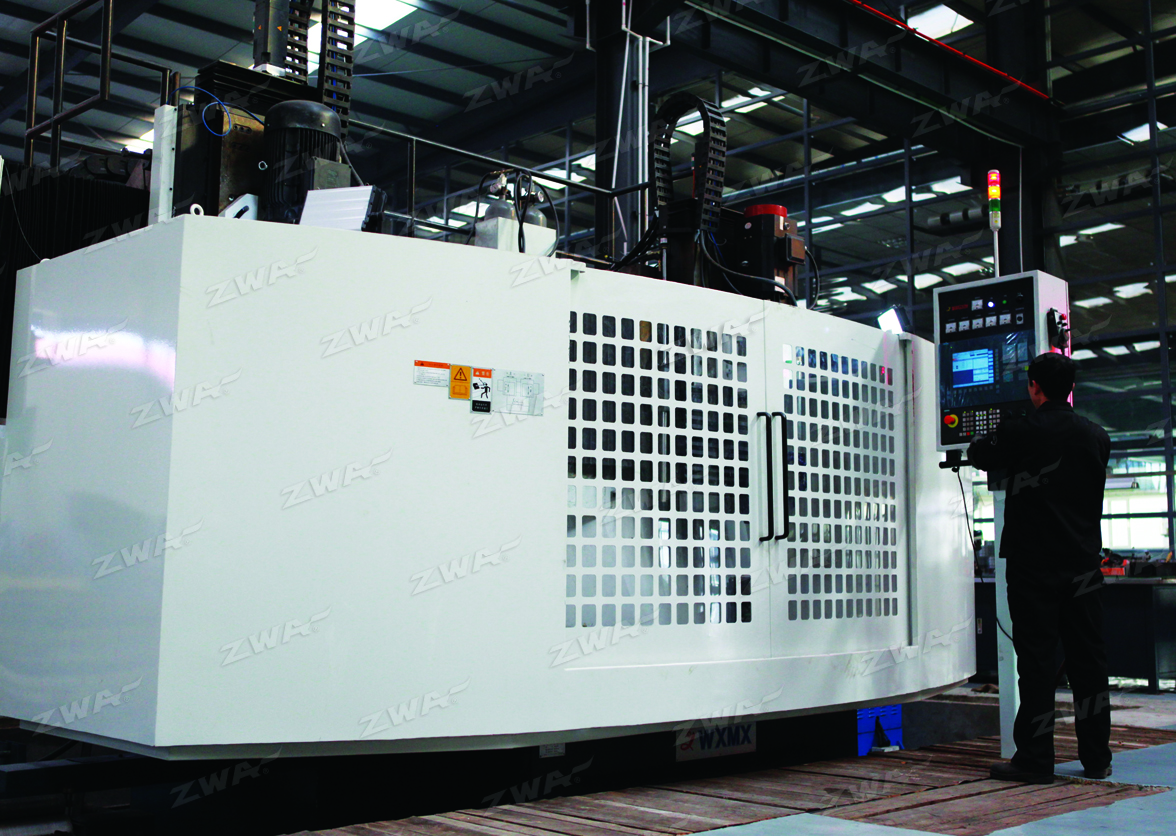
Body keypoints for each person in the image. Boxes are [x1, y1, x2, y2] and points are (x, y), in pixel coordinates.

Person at [967, 351, 1112, 784]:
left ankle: (1035, 759)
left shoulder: (1020, 431)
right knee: (1089, 661)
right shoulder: (1096, 436)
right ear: (1070, 389)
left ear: (1034, 387)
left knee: (1036, 663)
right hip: (1083, 566)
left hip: (1034, 568)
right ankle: (1096, 758)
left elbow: (979, 453)